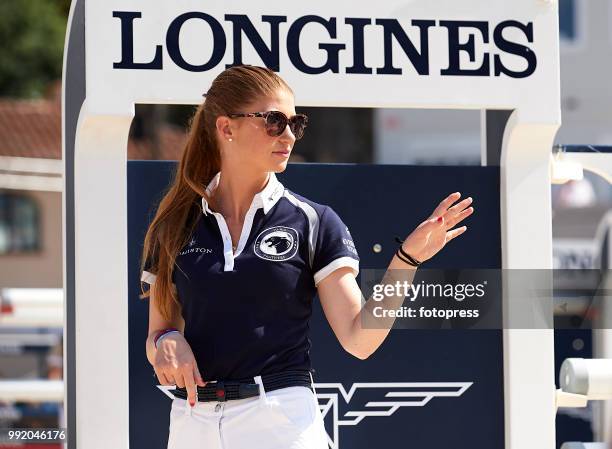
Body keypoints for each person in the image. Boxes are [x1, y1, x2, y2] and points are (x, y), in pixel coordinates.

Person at [139, 64, 474, 449]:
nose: (287, 135)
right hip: (191, 423)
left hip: (280, 422)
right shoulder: (174, 224)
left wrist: (406, 261)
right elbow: (156, 335)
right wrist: (165, 341)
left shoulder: (314, 221)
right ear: (225, 127)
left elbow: (358, 339)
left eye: (295, 124)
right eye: (273, 121)